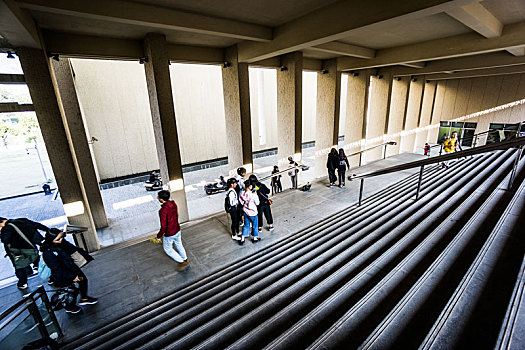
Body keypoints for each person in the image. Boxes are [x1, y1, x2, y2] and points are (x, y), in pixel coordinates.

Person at [41, 229, 97, 314]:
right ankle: (69, 307)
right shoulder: (48, 252)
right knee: (69, 290)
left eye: (62, 237)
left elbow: (71, 249)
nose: (61, 240)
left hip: (71, 268)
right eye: (58, 239)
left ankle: (84, 298)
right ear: (51, 240)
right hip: (63, 274)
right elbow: (57, 268)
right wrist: (72, 276)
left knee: (82, 280)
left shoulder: (60, 243)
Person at [0, 217, 48, 290]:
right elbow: (37, 225)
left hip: (19, 252)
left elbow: (6, 240)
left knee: (20, 267)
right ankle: (50, 276)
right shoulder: (22, 220)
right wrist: (48, 230)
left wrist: (1, 233)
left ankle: (22, 283)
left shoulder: (6, 229)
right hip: (31, 247)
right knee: (38, 261)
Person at [156, 190, 189, 271]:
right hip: (177, 229)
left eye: (158, 197)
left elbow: (163, 226)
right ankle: (185, 258)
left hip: (170, 233)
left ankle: (182, 261)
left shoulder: (163, 211)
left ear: (161, 199)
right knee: (179, 244)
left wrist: (158, 236)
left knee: (168, 249)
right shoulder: (173, 204)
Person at [238, 180, 260, 245]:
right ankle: (255, 238)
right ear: (250, 186)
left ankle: (242, 238)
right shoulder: (253, 195)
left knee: (246, 225)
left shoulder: (242, 193)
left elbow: (241, 202)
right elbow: (257, 203)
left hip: (245, 212)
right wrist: (256, 195)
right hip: (253, 213)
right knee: (255, 225)